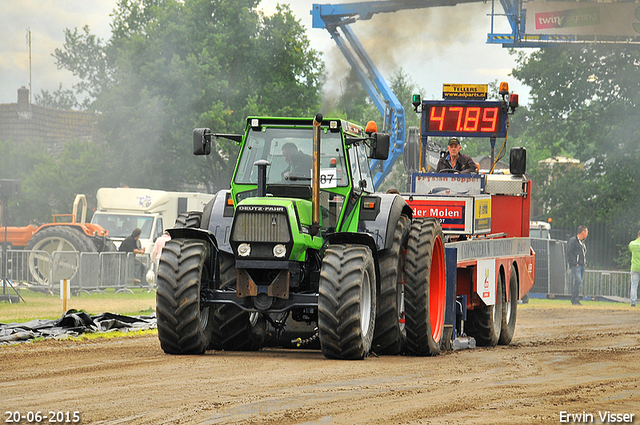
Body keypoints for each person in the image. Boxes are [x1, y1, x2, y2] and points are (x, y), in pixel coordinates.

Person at [567, 225, 588, 306]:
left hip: (582, 265)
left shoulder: (582, 243)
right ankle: (574, 299)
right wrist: (574, 263)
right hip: (577, 265)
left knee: (579, 282)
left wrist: (585, 262)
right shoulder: (573, 241)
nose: (587, 234)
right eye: (586, 232)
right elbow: (569, 252)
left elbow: (583, 253)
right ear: (583, 232)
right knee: (578, 281)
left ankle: (576, 299)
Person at [628, 230, 640, 307]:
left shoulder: (632, 243)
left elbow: (630, 250)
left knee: (634, 285)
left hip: (635, 267)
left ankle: (633, 302)